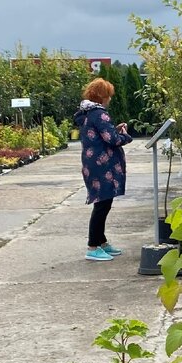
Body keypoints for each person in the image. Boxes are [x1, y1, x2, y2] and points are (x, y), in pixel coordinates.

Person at [75, 77, 131, 261]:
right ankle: (93, 246)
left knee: (103, 202)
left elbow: (100, 135)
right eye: (108, 95)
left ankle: (102, 241)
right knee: (102, 204)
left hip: (92, 164)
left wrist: (113, 130)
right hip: (102, 165)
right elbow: (112, 140)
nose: (110, 99)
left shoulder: (87, 113)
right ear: (102, 96)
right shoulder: (99, 114)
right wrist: (125, 136)